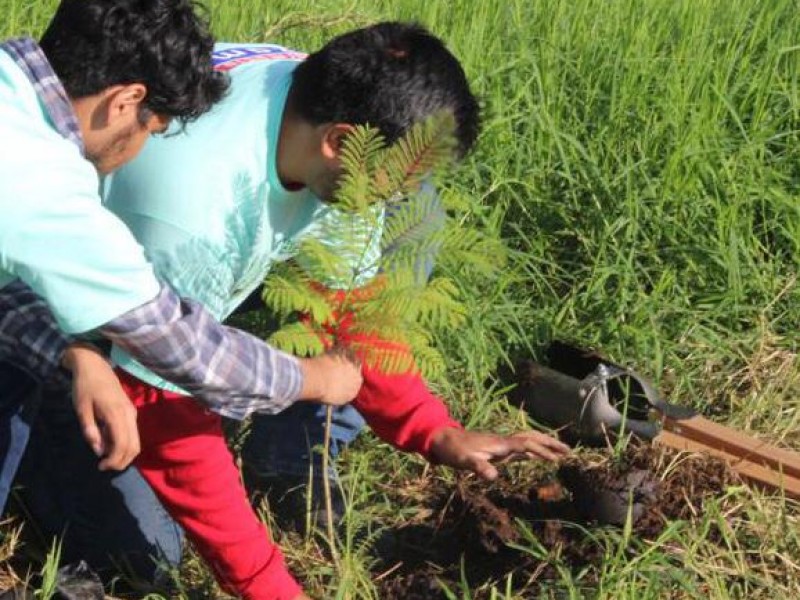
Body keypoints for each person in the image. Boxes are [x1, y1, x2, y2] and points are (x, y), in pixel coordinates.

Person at [3, 22, 570, 600]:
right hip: (59, 312)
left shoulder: (329, 119)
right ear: (341, 142)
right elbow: (169, 411)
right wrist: (269, 587)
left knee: (417, 218)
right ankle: (46, 423)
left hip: (164, 297)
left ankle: (291, 462)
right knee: (151, 553)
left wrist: (431, 429)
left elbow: (348, 302)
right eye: (393, 180)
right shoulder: (191, 214)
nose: (392, 197)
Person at [0, 0, 363, 518]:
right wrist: (312, 379)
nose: (143, 148)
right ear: (126, 101)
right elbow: (183, 345)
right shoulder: (46, 187)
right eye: (154, 128)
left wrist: (73, 352)